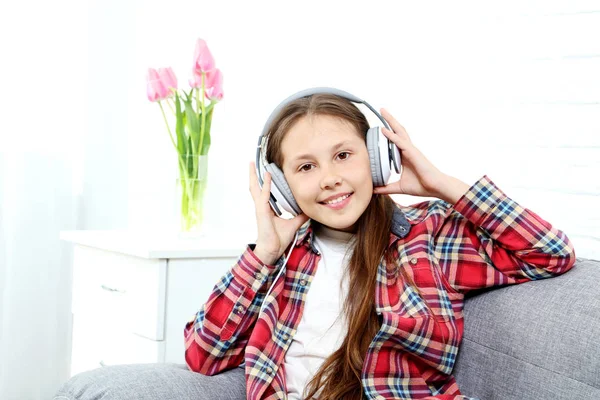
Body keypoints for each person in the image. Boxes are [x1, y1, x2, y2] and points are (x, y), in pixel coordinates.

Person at [54, 88, 576, 400]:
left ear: (375, 157)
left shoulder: (427, 238)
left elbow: (550, 252)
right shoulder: (280, 258)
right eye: (306, 166)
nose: (329, 178)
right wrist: (263, 253)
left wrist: (439, 181)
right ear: (281, 184)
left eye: (344, 155)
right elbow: (202, 355)